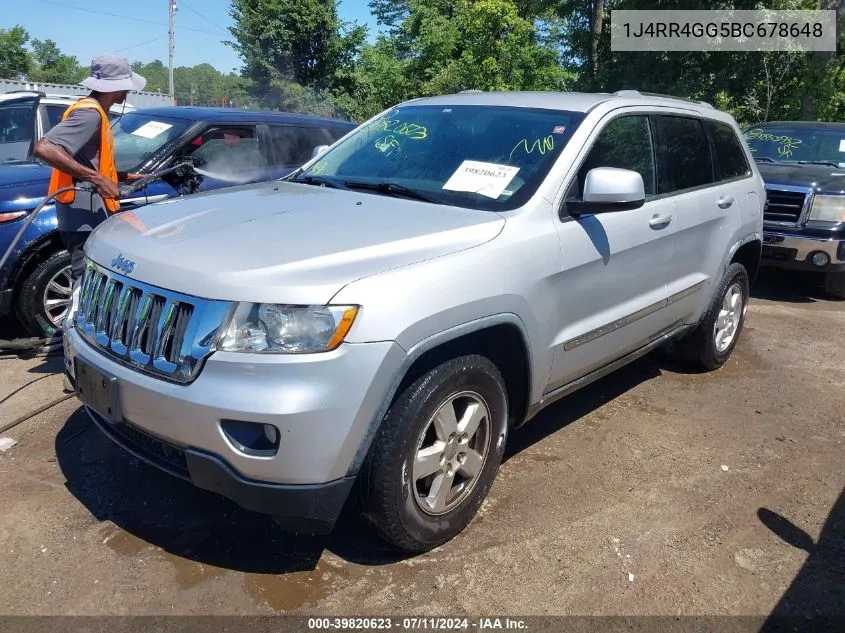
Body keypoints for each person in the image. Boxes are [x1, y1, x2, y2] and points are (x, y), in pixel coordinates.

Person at [34, 54, 147, 286]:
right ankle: (74, 322)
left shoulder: (94, 111)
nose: (127, 93)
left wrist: (120, 176)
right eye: (125, 87)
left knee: (92, 275)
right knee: (86, 279)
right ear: (115, 88)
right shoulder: (89, 114)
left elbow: (85, 159)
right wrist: (97, 179)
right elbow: (44, 148)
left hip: (85, 209)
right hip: (83, 213)